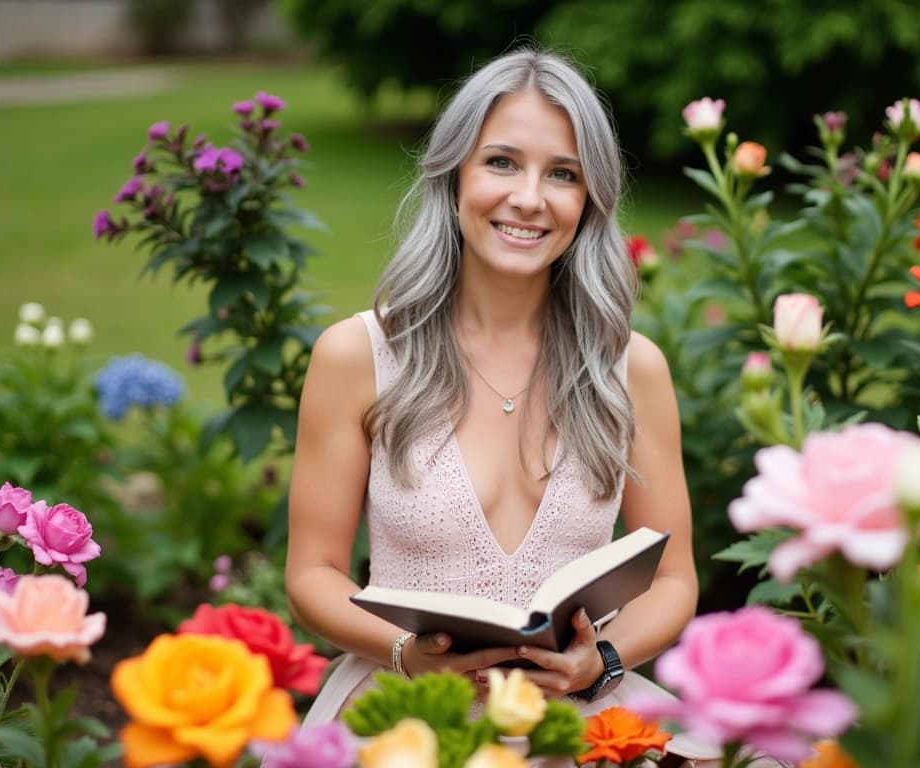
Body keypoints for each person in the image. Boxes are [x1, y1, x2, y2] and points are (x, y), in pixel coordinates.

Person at [285, 48, 715, 764]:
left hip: (578, 719)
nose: (529, 198)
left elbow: (674, 580)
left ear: (590, 200)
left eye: (563, 174)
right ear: (454, 175)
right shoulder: (357, 356)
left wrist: (601, 660)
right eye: (502, 163)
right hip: (411, 718)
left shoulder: (630, 369)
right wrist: (402, 652)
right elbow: (312, 573)